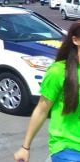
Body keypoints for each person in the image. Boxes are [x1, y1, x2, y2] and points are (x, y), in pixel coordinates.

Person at [14, 22, 80, 162]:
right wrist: (25, 147)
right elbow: (42, 110)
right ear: (75, 40)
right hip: (68, 147)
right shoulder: (58, 72)